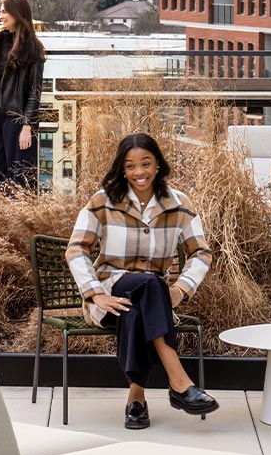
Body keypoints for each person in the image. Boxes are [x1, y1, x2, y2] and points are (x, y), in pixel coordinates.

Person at [66, 133, 220, 429]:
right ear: (122, 170)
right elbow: (76, 249)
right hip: (111, 293)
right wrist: (95, 294)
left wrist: (180, 289)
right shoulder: (103, 201)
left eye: (146, 164)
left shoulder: (179, 205)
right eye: (130, 166)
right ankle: (179, 381)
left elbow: (201, 252)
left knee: (142, 301)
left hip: (151, 302)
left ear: (158, 165)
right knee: (150, 285)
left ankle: (136, 400)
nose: (139, 172)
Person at [0, 0, 46, 191]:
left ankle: (21, 220)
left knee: (21, 178)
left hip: (17, 120)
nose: (0, 16)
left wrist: (28, 126)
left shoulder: (33, 48)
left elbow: (34, 93)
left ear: (17, 14)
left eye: (4, 12)